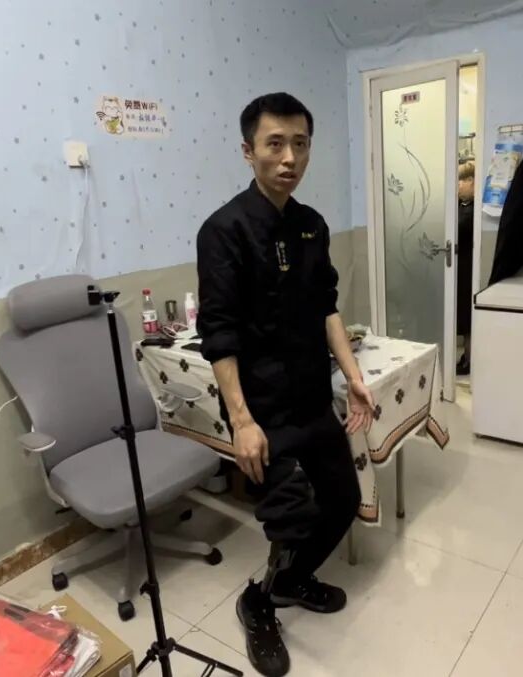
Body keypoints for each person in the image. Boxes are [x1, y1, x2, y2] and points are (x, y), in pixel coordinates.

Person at [196, 92, 375, 677]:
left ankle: (291, 580)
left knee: (343, 500)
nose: (289, 157)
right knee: (290, 518)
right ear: (248, 151)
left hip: (311, 396)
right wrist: (242, 422)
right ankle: (259, 605)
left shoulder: (311, 226)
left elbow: (326, 308)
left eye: (300, 144)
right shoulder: (223, 230)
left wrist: (353, 378)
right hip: (263, 410)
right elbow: (219, 333)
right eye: (275, 144)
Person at [456, 162, 475, 376]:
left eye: (460, 180)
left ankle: (469, 359)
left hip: (468, 270)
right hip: (458, 269)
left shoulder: (473, 210)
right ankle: (466, 356)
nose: (458, 185)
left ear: (471, 181)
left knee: (467, 317)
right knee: (462, 315)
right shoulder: (462, 206)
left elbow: (459, 230)